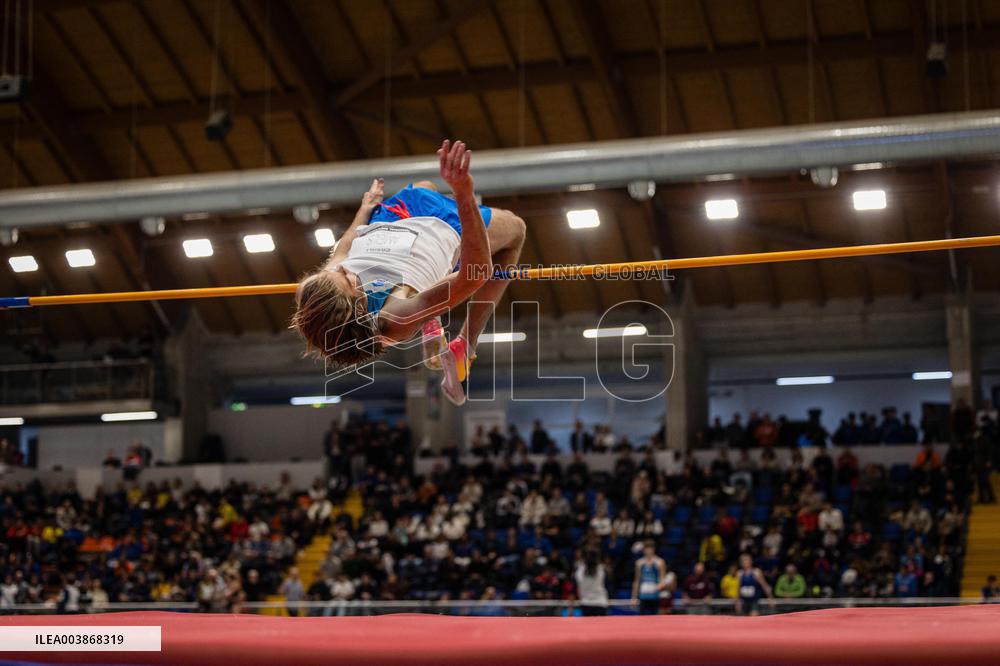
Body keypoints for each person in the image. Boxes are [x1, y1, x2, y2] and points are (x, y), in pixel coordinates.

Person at [291, 140, 526, 406]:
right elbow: (478, 272)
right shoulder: (394, 318)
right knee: (516, 229)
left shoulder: (313, 291)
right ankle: (465, 345)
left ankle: (430, 318)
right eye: (346, 278)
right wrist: (463, 195)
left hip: (390, 222)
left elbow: (342, 251)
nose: (343, 269)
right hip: (440, 230)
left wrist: (364, 209)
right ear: (359, 308)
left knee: (426, 186)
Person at [631, 540, 668, 615]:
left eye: (650, 548)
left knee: (655, 618)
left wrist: (659, 586)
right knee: (642, 619)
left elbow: (663, 579)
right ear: (644, 550)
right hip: (643, 594)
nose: (648, 551)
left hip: (654, 594)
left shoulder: (660, 562)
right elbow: (637, 581)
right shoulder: (639, 563)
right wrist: (634, 597)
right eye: (646, 548)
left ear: (653, 549)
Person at [574, 549, 609, 616]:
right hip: (600, 603)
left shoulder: (579, 571)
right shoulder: (602, 569)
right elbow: (607, 585)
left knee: (588, 626)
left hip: (586, 604)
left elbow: (577, 586)